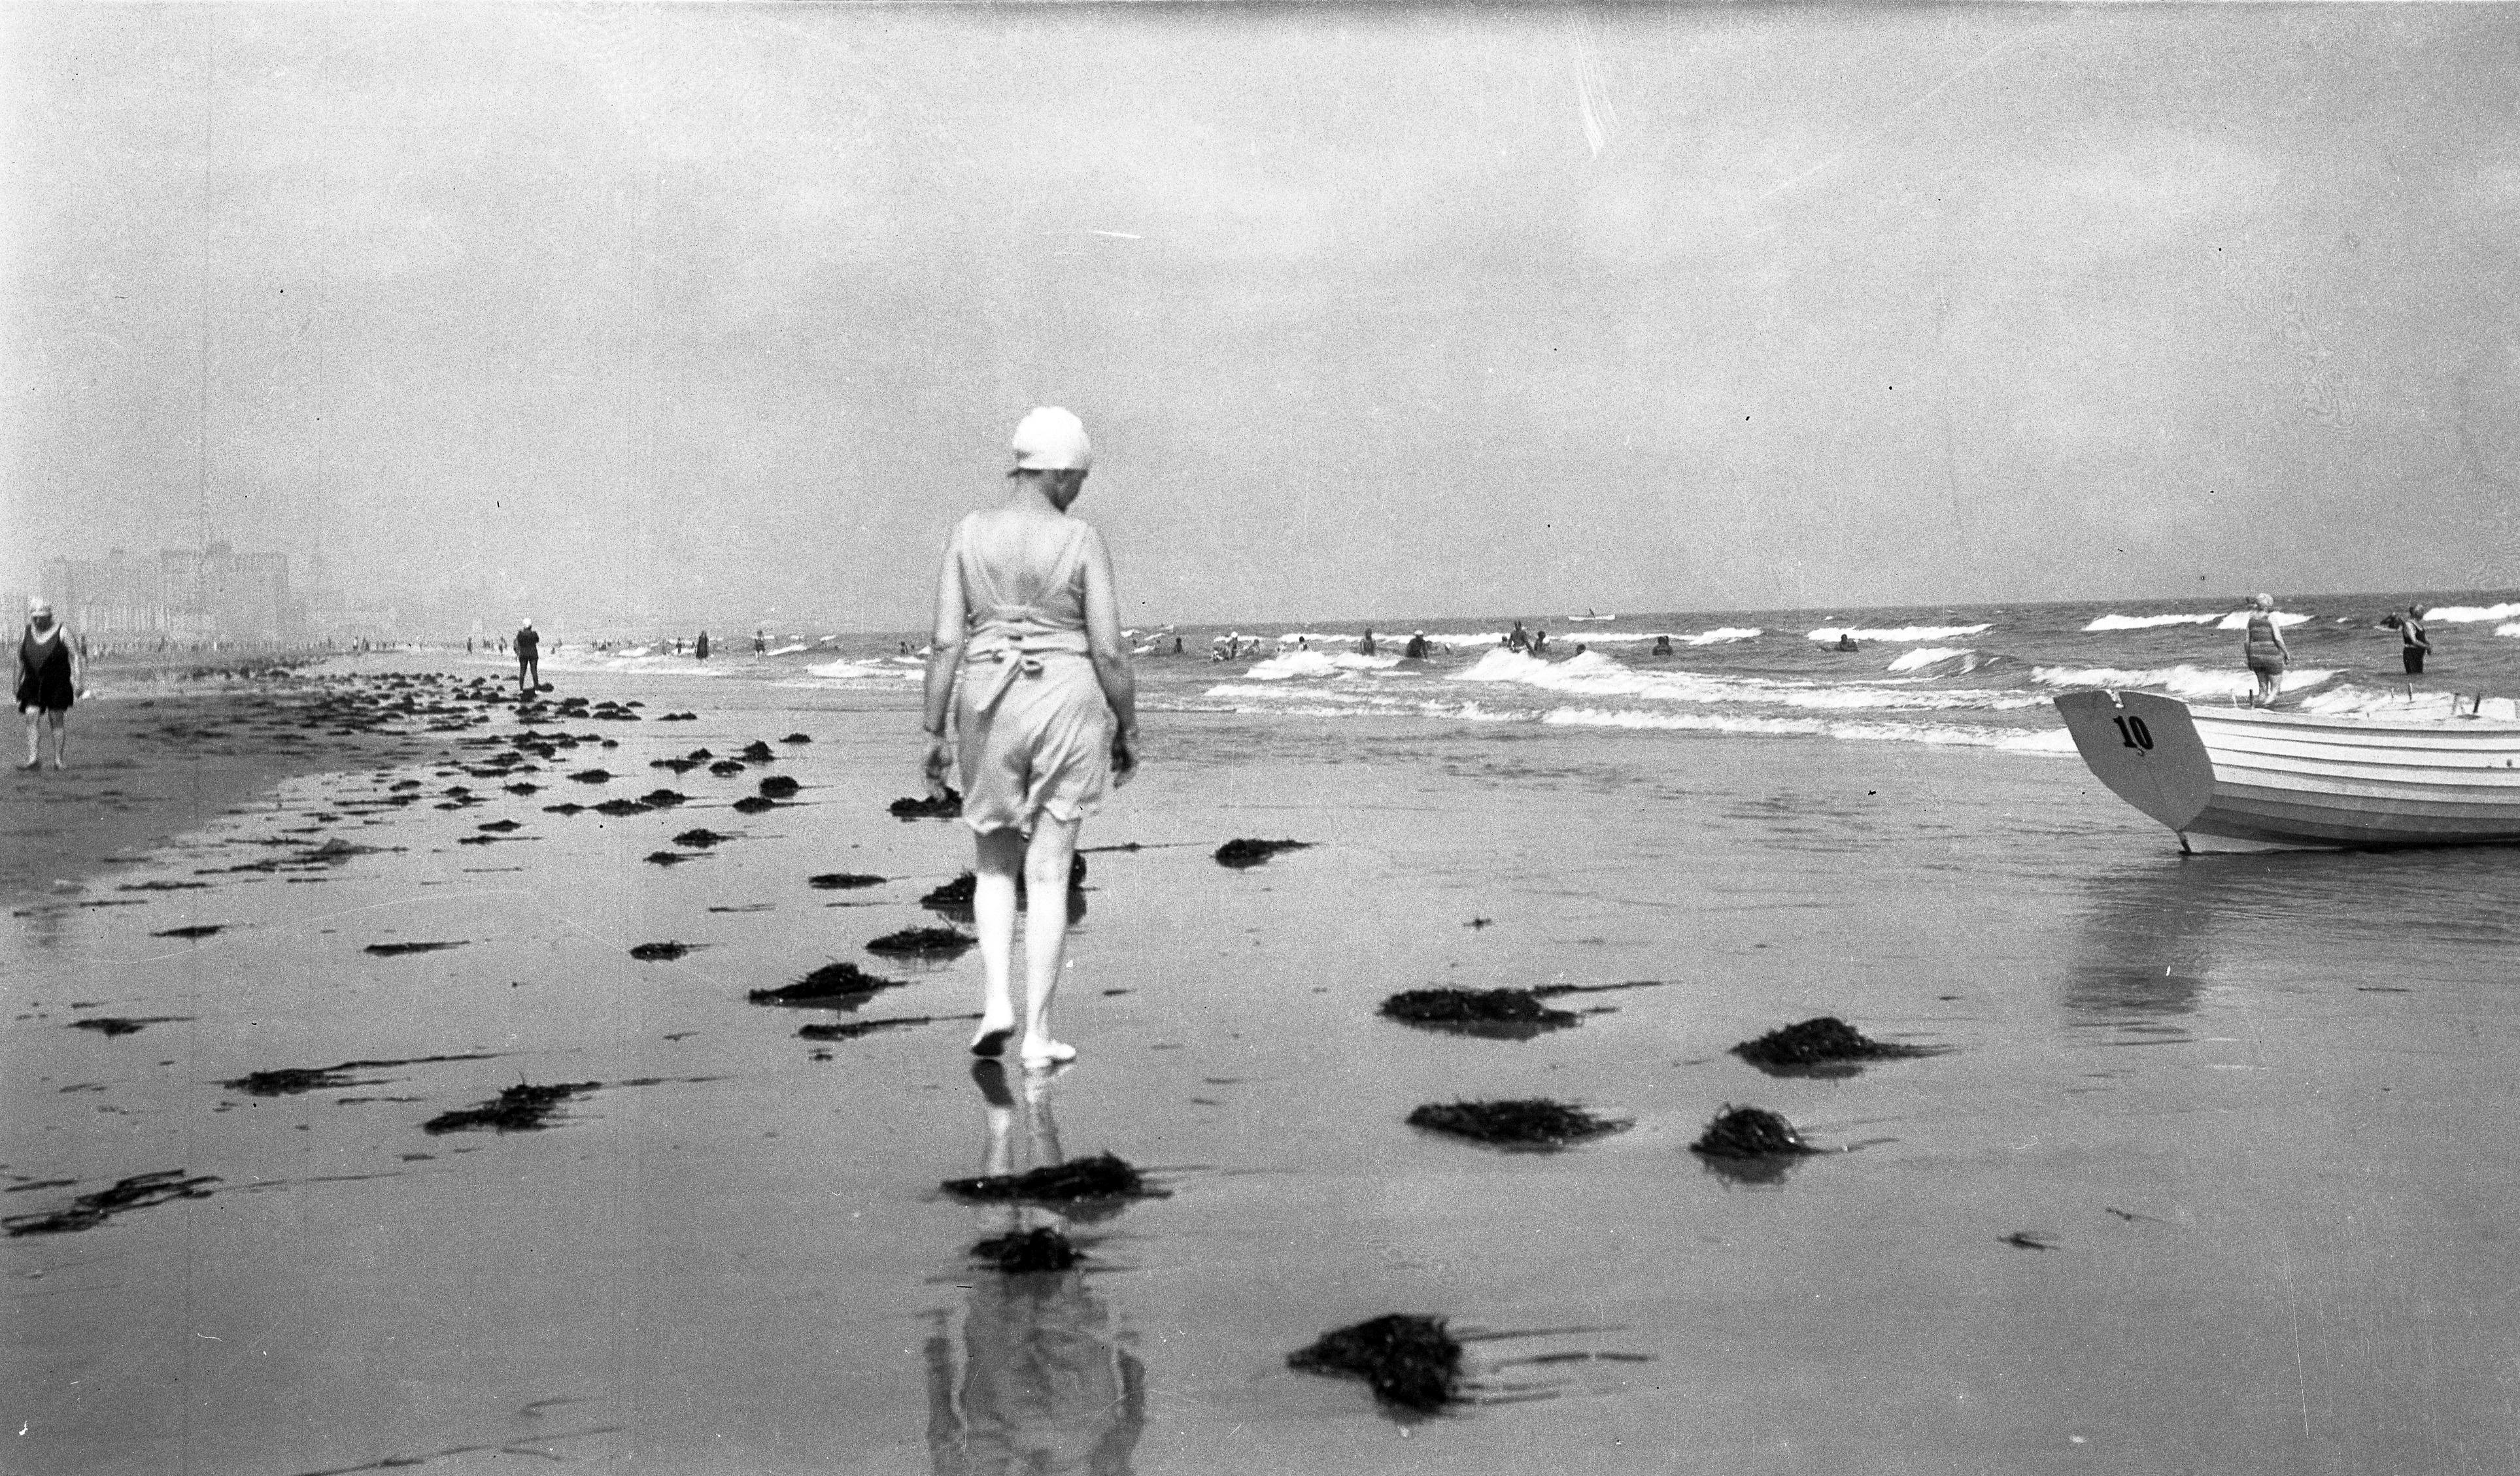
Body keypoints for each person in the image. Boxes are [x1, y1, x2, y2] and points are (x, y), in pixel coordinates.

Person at [923, 407, 1140, 1069]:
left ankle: (995, 1003)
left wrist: (932, 729)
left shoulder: (967, 532)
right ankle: (1038, 1036)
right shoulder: (1080, 539)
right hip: (1065, 701)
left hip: (987, 697)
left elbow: (944, 641)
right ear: (1060, 470)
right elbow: (1107, 650)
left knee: (991, 863)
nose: (1079, 491)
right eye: (1078, 478)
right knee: (1047, 873)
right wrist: (1126, 722)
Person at [17, 597, 80, 771]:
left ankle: (59, 760)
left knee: (56, 718)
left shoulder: (62, 631)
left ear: (49, 616)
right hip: (32, 682)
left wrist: (78, 681)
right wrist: (16, 682)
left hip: (57, 683)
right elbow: (20, 660)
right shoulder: (27, 632)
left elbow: (75, 656)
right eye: (35, 617)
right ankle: (33, 759)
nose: (38, 621)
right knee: (31, 715)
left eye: (42, 617)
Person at [2243, 593, 2290, 707]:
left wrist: (2249, 659)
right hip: (2271, 655)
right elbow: (2278, 639)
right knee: (2275, 689)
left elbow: (2247, 642)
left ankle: (2259, 711)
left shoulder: (2251, 620)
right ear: (2268, 605)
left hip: (2255, 656)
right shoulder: (2271, 618)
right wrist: (2286, 653)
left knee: (2263, 690)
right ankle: (2266, 707)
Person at [2399, 605, 2430, 675]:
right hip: (2411, 654)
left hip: (2419, 655)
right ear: (2417, 613)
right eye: (2422, 612)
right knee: (2413, 676)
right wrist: (2426, 647)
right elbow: (2414, 641)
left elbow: (2425, 639)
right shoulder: (2409, 624)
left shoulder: (2420, 625)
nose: (2423, 614)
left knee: (2419, 676)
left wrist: (2429, 647)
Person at [514, 619, 541, 692]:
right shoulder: (534, 634)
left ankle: (521, 689)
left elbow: (517, 642)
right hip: (533, 654)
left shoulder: (520, 634)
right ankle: (537, 689)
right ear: (530, 626)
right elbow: (537, 640)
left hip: (523, 654)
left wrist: (517, 653)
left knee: (522, 671)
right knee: (534, 671)